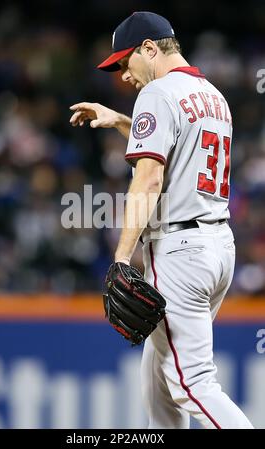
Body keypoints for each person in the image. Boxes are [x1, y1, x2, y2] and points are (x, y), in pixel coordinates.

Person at [69, 11, 253, 429]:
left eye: (125, 62)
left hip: (180, 253)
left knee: (193, 385)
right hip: (217, 247)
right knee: (158, 386)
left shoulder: (157, 94)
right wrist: (121, 121)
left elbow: (149, 179)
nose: (123, 76)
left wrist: (120, 256)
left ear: (150, 49)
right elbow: (178, 143)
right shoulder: (212, 95)